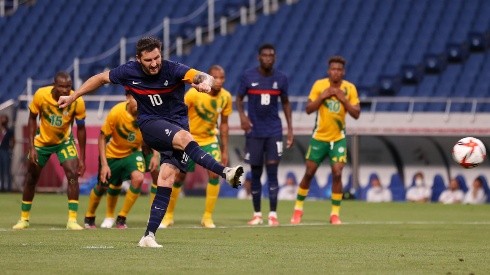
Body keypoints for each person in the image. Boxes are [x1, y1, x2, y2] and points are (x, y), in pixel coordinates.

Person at [58, 36, 244, 248]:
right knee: (185, 139)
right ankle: (225, 172)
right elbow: (100, 79)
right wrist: (74, 97)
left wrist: (206, 82)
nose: (154, 63)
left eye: (157, 57)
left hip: (178, 125)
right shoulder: (128, 71)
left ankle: (148, 236)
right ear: (138, 59)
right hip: (151, 124)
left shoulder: (173, 69)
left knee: (167, 177)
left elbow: (200, 75)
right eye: (148, 60)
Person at [158, 64, 233, 229]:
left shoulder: (226, 97)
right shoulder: (193, 93)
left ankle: (207, 217)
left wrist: (224, 149)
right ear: (208, 78)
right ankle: (168, 216)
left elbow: (225, 125)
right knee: (179, 177)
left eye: (222, 78)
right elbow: (178, 113)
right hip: (189, 139)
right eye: (215, 77)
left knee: (214, 174)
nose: (219, 81)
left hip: (210, 139)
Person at [290, 56, 360, 225]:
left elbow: (356, 114)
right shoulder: (319, 85)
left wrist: (343, 99)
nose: (336, 72)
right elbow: (308, 109)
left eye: (339, 69)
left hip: (338, 139)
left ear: (343, 72)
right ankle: (298, 209)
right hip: (319, 137)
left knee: (337, 172)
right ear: (329, 71)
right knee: (309, 172)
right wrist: (322, 97)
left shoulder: (349, 88)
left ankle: (335, 214)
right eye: (333, 69)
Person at [13, 72, 86, 230]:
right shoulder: (41, 95)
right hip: (42, 142)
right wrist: (31, 147)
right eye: (61, 86)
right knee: (31, 177)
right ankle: (24, 219)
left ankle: (72, 220)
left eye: (68, 86)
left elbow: (81, 129)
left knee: (73, 175)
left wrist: (83, 158)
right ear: (54, 85)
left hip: (64, 142)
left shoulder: (77, 100)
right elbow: (32, 118)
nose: (66, 90)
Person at [83, 91, 160, 229]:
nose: (140, 102)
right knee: (103, 186)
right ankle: (90, 216)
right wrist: (105, 164)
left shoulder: (148, 112)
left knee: (138, 178)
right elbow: (102, 137)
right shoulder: (116, 112)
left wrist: (155, 155)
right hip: (113, 154)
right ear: (128, 98)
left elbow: (153, 133)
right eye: (137, 98)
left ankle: (122, 218)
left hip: (133, 153)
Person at [236, 43, 294, 226]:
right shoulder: (248, 76)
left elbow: (285, 103)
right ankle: (257, 214)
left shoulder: (281, 78)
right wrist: (243, 117)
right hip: (254, 131)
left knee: (273, 172)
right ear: (259, 57)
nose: (268, 58)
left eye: (271, 55)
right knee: (255, 172)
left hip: (274, 131)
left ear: (274, 58)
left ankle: (273, 215)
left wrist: (290, 129)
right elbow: (238, 98)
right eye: (265, 55)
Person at [0, 114, 15, 192]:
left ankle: (9, 188)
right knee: (1, 170)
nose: (3, 120)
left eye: (4, 119)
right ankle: (2, 187)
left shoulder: (9, 130)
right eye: (2, 118)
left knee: (7, 170)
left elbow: (13, 140)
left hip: (6, 151)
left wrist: (11, 149)